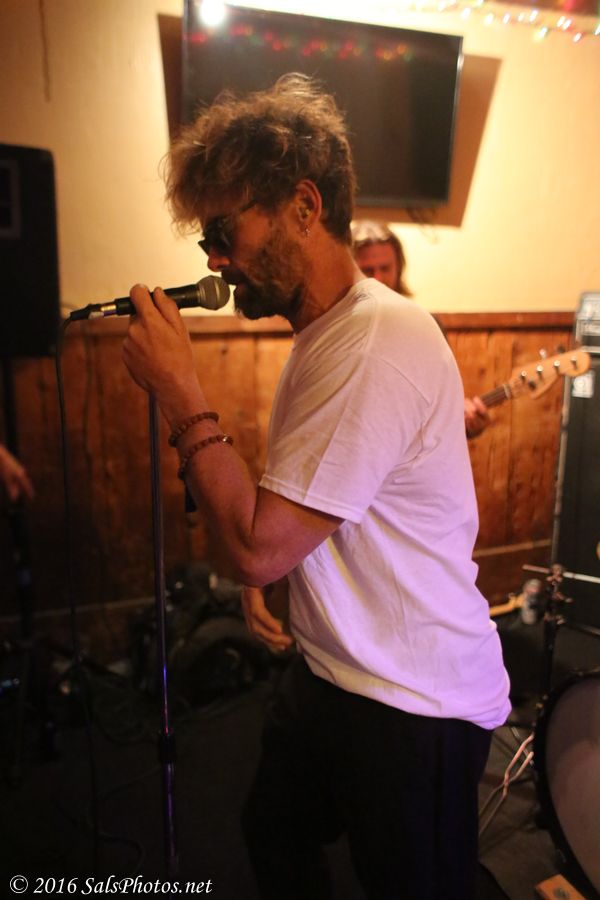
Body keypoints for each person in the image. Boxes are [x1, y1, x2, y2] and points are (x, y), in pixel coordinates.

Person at [122, 74, 510, 900]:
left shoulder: (375, 340)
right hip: (336, 671)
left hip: (413, 698)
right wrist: (284, 573)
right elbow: (306, 518)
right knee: (275, 833)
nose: (214, 260)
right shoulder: (323, 337)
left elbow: (256, 547)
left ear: (303, 205)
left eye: (223, 232)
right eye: (206, 242)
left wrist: (181, 391)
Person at [352, 219, 491, 439]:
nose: (378, 279)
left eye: (385, 268)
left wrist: (467, 425)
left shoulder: (426, 328)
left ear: (399, 269)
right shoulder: (337, 330)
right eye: (368, 270)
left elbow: (439, 411)